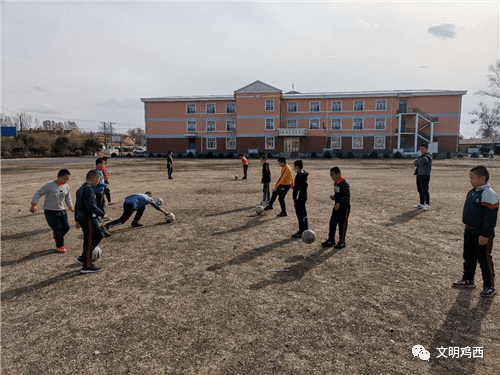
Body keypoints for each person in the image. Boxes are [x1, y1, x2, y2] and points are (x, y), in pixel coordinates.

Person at [453, 166, 498, 297]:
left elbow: (490, 218)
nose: (470, 180)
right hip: (469, 230)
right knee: (469, 256)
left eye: (472, 178)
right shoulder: (472, 192)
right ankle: (468, 279)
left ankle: (489, 286)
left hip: (481, 233)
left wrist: (485, 234)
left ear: (482, 179)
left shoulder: (489, 194)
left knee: (484, 259)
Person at [30, 169, 74, 253]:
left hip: (62, 210)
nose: (66, 181)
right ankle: (60, 245)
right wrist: (34, 203)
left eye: (67, 179)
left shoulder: (66, 186)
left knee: (66, 227)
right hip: (50, 211)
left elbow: (68, 197)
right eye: (64, 179)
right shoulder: (49, 185)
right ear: (58, 177)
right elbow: (38, 193)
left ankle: (57, 236)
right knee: (58, 228)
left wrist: (70, 206)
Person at [75, 169, 108, 273]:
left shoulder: (81, 189)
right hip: (88, 218)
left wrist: (77, 219)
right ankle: (87, 265)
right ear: (95, 178)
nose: (98, 182)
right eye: (98, 180)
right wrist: (101, 213)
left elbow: (77, 205)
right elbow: (90, 205)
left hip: (83, 217)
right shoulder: (88, 189)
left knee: (94, 237)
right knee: (92, 239)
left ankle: (83, 257)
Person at [101, 192, 171, 236]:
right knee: (122, 220)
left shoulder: (139, 194)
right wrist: (165, 213)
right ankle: (106, 226)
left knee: (142, 207)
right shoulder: (149, 198)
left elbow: (127, 197)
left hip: (127, 203)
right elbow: (157, 207)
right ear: (150, 195)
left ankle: (135, 222)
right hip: (131, 205)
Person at [322, 167, 350, 249]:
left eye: (332, 175)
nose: (331, 177)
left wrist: (339, 203)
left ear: (338, 174)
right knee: (332, 223)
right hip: (336, 207)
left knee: (342, 225)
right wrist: (334, 197)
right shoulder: (336, 183)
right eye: (330, 175)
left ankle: (342, 242)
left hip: (344, 207)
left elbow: (346, 196)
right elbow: (339, 193)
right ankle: (331, 240)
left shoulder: (344, 183)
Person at [292, 160, 309, 238]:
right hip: (303, 197)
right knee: (304, 213)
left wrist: (295, 199)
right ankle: (305, 227)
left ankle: (301, 230)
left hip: (299, 198)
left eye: (294, 166)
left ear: (297, 167)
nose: (294, 168)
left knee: (300, 214)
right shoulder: (304, 174)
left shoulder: (299, 176)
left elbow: (299, 189)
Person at [414, 143, 432, 211]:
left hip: (425, 175)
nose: (421, 150)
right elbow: (415, 163)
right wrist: (419, 162)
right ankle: (421, 203)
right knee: (420, 189)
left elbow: (424, 160)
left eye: (422, 149)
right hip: (419, 174)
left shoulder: (429, 155)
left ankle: (427, 204)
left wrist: (419, 162)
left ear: (426, 149)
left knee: (425, 190)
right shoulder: (420, 156)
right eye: (420, 149)